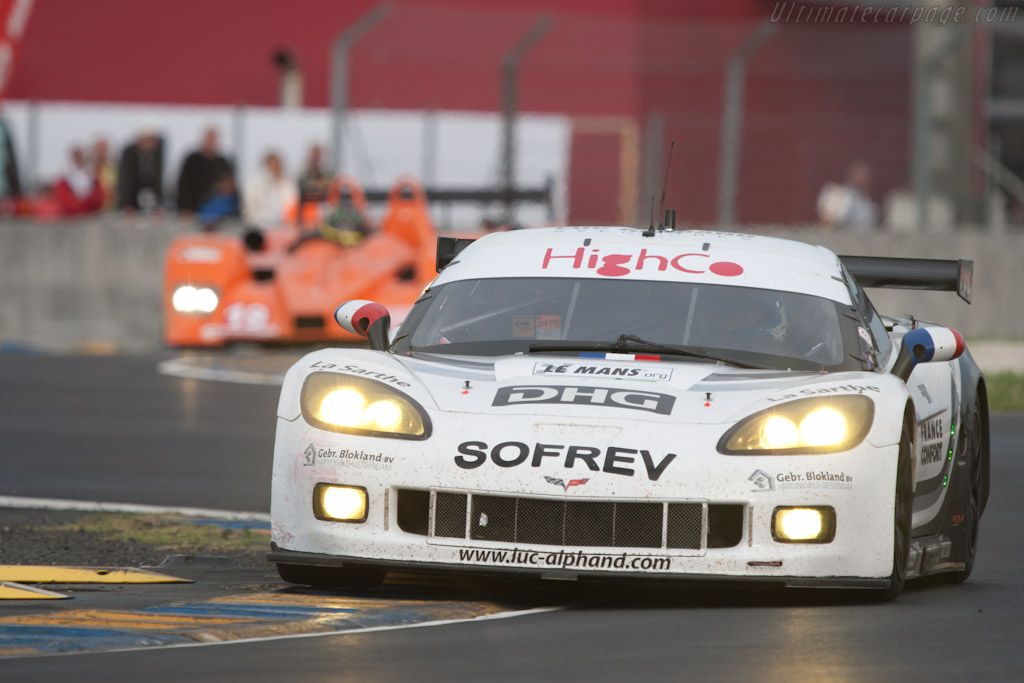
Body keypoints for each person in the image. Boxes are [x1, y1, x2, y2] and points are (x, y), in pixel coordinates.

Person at [176, 127, 233, 213]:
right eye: (209, 138)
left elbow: (230, 187)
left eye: (213, 139)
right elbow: (184, 185)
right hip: (192, 210)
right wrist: (185, 207)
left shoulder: (223, 163)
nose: (211, 142)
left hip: (215, 212)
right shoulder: (192, 160)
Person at [816, 160, 878, 231]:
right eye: (859, 173)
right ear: (851, 174)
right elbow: (826, 224)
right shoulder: (838, 194)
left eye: (865, 173)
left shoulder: (869, 204)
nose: (862, 177)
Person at [243, 151, 297, 228]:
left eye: (277, 165)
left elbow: (292, 206)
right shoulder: (253, 185)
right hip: (258, 227)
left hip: (285, 228)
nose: (275, 168)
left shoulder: (289, 183)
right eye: (271, 165)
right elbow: (250, 211)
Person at [117, 123, 164, 211]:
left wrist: (160, 203)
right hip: (131, 205)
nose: (148, 143)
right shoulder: (129, 154)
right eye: (146, 139)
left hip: (153, 205)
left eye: (151, 139)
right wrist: (126, 203)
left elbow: (160, 181)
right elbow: (124, 180)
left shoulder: (159, 155)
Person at [53, 145, 104, 215]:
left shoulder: (90, 175)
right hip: (73, 215)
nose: (78, 158)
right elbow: (65, 198)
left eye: (80, 155)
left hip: (90, 212)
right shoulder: (65, 175)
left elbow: (98, 196)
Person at [93, 137, 117, 211]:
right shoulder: (91, 169)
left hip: (113, 205)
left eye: (104, 149)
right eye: (99, 149)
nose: (102, 152)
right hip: (96, 207)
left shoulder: (113, 167)